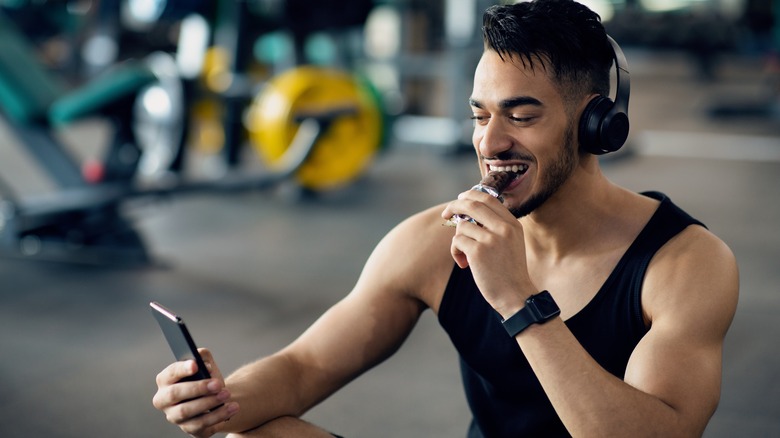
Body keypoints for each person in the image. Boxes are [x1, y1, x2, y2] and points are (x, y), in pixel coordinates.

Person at [153, 0, 739, 436]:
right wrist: (220, 400)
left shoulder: (684, 263)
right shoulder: (432, 242)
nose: (492, 141)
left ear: (595, 125)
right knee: (250, 433)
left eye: (522, 116)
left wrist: (518, 299)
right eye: (480, 115)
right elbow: (306, 366)